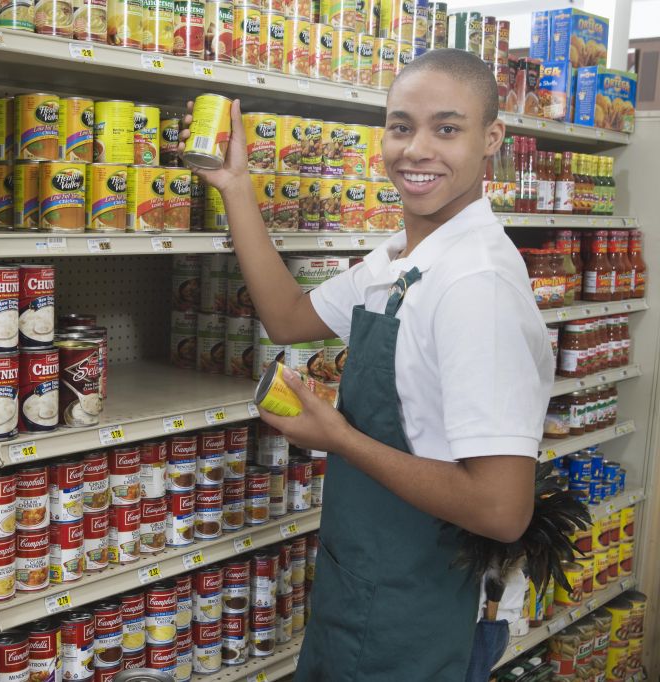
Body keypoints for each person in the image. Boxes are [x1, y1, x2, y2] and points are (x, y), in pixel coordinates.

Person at [179, 49, 554, 681]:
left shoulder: (475, 286)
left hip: (413, 609)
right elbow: (290, 318)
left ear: (492, 139)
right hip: (361, 585)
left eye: (447, 128)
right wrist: (236, 187)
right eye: (401, 126)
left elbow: (501, 509)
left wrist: (338, 438)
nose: (416, 149)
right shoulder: (406, 259)